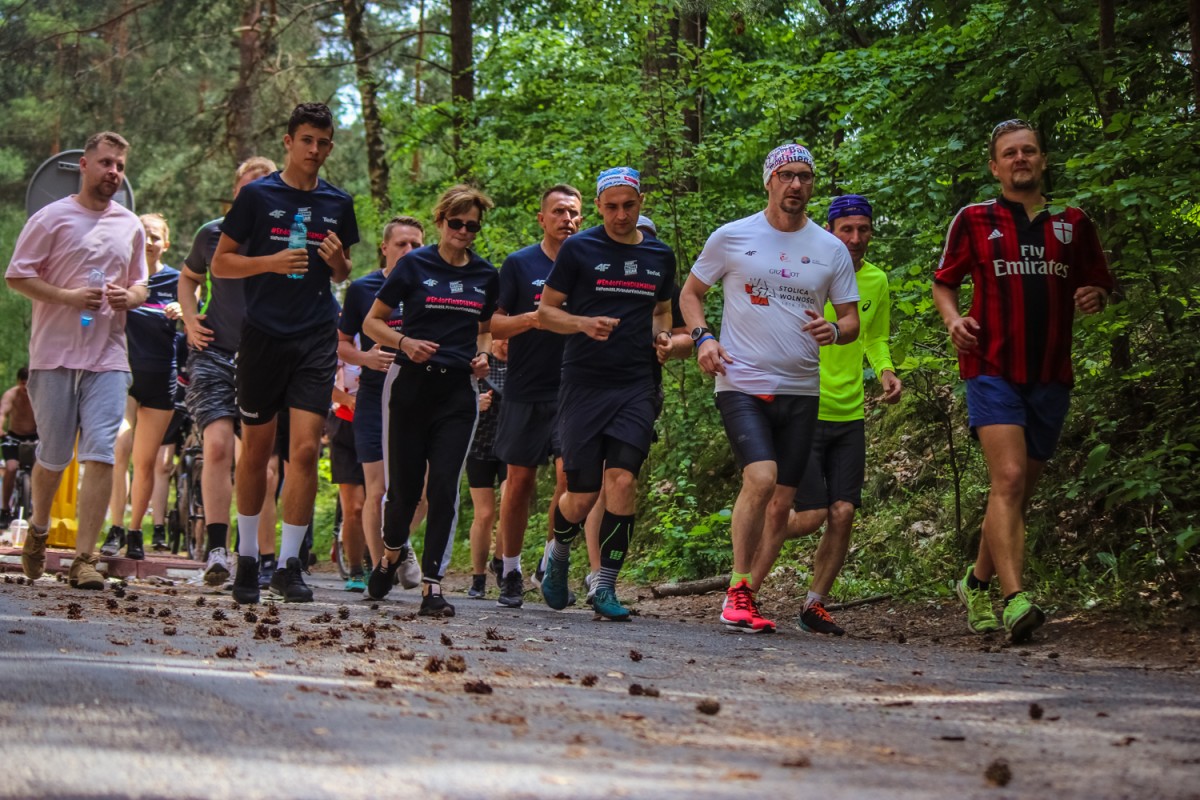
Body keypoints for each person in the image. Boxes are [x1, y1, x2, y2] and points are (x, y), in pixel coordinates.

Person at [933, 119, 1113, 644]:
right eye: (1009, 153)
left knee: (1015, 492)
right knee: (1009, 478)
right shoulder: (974, 219)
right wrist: (953, 321)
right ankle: (1016, 599)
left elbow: (1098, 281)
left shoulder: (1073, 221)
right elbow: (944, 282)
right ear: (995, 167)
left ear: (1042, 160)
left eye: (1028, 151)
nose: (1020, 159)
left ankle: (976, 583)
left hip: (1051, 373)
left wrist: (1096, 295)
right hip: (991, 366)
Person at [681, 143, 860, 634]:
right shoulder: (732, 236)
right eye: (786, 175)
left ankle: (746, 595)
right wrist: (703, 337)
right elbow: (691, 293)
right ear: (769, 181)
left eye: (805, 176)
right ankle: (738, 588)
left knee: (782, 503)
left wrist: (835, 330)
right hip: (741, 382)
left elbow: (851, 320)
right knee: (760, 478)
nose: (796, 184)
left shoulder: (830, 248)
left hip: (802, 389)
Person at [212, 102, 359, 604]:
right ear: (289, 142)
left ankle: (290, 564)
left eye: (323, 142)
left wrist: (339, 264)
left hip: (316, 334)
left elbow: (343, 271)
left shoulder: (338, 202)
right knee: (257, 451)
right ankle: (248, 558)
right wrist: (269, 262)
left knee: (305, 450)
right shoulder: (257, 196)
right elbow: (221, 264)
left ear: (330, 147)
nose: (315, 150)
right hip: (263, 336)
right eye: (307, 141)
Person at [748, 194, 902, 636]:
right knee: (805, 513)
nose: (855, 238)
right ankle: (745, 588)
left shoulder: (876, 280)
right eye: (846, 229)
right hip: (804, 406)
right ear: (830, 231)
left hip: (849, 413)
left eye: (863, 229)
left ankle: (814, 605)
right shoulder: (806, 270)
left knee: (843, 512)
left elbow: (874, 337)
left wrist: (886, 371)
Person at [5, 131, 148, 589]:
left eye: (119, 166)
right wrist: (67, 296)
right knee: (53, 456)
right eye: (105, 163)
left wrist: (130, 297)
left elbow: (142, 283)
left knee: (102, 452)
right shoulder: (50, 218)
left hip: (108, 356)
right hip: (53, 356)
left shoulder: (130, 225)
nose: (113, 172)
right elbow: (16, 277)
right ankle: (39, 529)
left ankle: (85, 558)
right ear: (83, 166)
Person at [537, 167, 676, 621]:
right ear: (598, 206)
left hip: (636, 384)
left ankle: (605, 585)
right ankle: (558, 553)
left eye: (628, 206)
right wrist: (581, 323)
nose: (620, 215)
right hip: (584, 382)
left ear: (640, 203)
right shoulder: (579, 249)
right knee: (581, 494)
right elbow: (546, 312)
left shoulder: (659, 254)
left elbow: (662, 311)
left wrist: (663, 337)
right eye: (611, 207)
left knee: (622, 481)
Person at [362, 184, 498, 617]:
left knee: (443, 487)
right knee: (403, 493)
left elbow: (485, 329)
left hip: (457, 393)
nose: (463, 232)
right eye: (456, 223)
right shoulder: (414, 265)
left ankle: (433, 586)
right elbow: (372, 322)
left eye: (472, 226)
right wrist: (405, 342)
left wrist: (483, 356)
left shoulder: (485, 274)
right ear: (441, 221)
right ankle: (390, 555)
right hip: (411, 387)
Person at [178, 156, 278, 586]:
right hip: (214, 352)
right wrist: (189, 318)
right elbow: (188, 278)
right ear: (236, 193)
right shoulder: (212, 232)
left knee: (261, 463)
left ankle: (258, 555)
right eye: (247, 188)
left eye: (265, 186)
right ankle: (217, 551)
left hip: (266, 356)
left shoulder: (285, 238)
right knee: (217, 447)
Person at [490, 184, 582, 608]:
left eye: (574, 213)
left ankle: (549, 564)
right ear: (542, 219)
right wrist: (533, 318)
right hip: (525, 386)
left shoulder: (588, 262)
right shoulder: (519, 263)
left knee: (571, 481)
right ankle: (510, 570)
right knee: (519, 482)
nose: (567, 219)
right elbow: (495, 325)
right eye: (559, 212)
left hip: (574, 387)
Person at [337, 215, 426, 595]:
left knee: (422, 491)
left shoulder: (431, 286)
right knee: (377, 490)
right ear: (385, 248)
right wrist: (366, 359)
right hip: (374, 397)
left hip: (421, 393)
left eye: (416, 245)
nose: (409, 251)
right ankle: (380, 570)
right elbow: (341, 345)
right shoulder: (363, 289)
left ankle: (397, 542)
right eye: (401, 244)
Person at [101, 213, 181, 559]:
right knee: (120, 448)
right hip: (125, 374)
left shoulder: (177, 280)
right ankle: (115, 528)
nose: (149, 242)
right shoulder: (122, 274)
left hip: (161, 378)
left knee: (145, 462)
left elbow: (198, 314)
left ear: (166, 243)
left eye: (155, 237)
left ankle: (135, 532)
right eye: (143, 235)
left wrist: (183, 309)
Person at [466, 337, 507, 598]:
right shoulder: (477, 363)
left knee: (510, 503)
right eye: (501, 337)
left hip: (510, 447)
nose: (506, 342)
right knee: (484, 513)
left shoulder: (522, 364)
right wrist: (475, 404)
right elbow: (455, 399)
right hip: (479, 447)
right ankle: (478, 576)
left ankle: (501, 562)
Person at [330, 357, 366, 591]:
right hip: (344, 424)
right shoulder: (342, 341)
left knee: (378, 501)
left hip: (380, 426)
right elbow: (323, 379)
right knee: (354, 507)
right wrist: (348, 400)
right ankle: (356, 570)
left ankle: (377, 563)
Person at [0, 367, 38, 528]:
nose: (26, 388)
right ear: (18, 382)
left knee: (41, 470)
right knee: (11, 467)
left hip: (36, 437)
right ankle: (5, 510)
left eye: (29, 384)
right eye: (23, 384)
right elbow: (2, 412)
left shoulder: (39, 395)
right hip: (13, 437)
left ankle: (38, 513)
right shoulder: (11, 395)